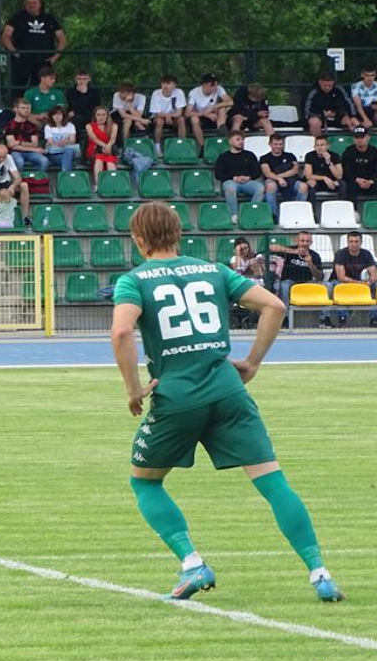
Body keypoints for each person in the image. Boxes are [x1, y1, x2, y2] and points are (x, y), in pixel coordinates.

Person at [111, 201, 344, 603]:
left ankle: (192, 563)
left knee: (144, 482)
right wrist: (252, 362)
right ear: (179, 233)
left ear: (137, 239)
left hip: (177, 395)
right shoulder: (214, 270)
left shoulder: (134, 281)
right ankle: (319, 572)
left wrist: (133, 388)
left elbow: (121, 333)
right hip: (227, 389)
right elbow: (274, 305)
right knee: (272, 481)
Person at [1, 0, 66, 98]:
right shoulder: (17, 17)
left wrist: (55, 57)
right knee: (17, 88)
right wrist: (16, 53)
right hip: (22, 59)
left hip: (44, 59)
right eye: (29, 3)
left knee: (42, 87)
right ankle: (17, 107)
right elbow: (5, 37)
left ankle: (40, 107)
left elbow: (62, 39)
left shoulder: (49, 19)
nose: (31, 5)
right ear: (25, 5)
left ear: (40, 4)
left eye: (34, 3)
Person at [214, 130, 264, 225]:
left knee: (260, 188)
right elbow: (218, 174)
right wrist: (233, 178)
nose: (241, 141)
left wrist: (248, 177)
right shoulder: (223, 157)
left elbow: (258, 171)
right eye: (238, 139)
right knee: (230, 188)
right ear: (230, 142)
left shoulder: (249, 155)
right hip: (231, 181)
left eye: (242, 139)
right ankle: (234, 215)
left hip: (247, 182)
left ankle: (250, 214)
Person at [330, 231, 377, 327]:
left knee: (375, 286)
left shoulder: (366, 254)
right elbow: (341, 277)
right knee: (335, 286)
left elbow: (374, 275)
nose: (354, 244)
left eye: (356, 241)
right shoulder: (340, 254)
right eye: (351, 241)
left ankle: (374, 318)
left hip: (361, 283)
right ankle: (342, 317)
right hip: (342, 283)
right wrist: (359, 283)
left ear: (361, 242)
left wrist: (369, 282)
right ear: (347, 242)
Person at [269, 231, 324, 312]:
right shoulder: (289, 250)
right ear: (297, 240)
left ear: (311, 242)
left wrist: (311, 264)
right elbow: (271, 247)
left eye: (307, 241)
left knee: (327, 285)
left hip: (307, 282)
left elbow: (320, 278)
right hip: (289, 281)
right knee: (284, 286)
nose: (304, 243)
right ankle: (285, 315)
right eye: (302, 241)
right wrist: (294, 251)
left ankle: (324, 317)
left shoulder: (315, 255)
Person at [259, 134, 308, 221]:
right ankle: (273, 216)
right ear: (270, 144)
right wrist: (278, 179)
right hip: (273, 181)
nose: (278, 146)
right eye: (275, 144)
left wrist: (280, 176)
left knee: (303, 186)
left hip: (291, 180)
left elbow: (295, 170)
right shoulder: (264, 158)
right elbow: (267, 173)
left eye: (280, 144)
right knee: (270, 186)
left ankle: (297, 213)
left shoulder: (290, 155)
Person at [303, 134, 347, 216]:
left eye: (322, 145)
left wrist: (329, 162)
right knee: (310, 184)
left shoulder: (334, 156)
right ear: (314, 146)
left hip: (331, 183)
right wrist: (324, 178)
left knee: (343, 184)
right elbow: (308, 175)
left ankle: (342, 211)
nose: (319, 148)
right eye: (317, 145)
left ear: (328, 146)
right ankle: (312, 214)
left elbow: (339, 176)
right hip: (318, 182)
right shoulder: (309, 156)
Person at [304, 71, 358, 138]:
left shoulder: (338, 89)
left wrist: (353, 116)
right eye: (325, 86)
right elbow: (307, 110)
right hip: (318, 117)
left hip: (336, 116)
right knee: (314, 122)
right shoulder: (313, 91)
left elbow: (348, 102)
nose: (327, 88)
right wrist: (322, 114)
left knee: (352, 122)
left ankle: (356, 141)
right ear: (320, 82)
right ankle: (319, 142)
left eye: (330, 86)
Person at [186, 74, 233, 148]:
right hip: (200, 117)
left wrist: (214, 106)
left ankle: (221, 129)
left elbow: (230, 102)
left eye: (216, 84)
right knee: (194, 119)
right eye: (212, 85)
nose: (215, 87)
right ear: (204, 84)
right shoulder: (194, 93)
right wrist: (205, 114)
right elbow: (188, 113)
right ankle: (202, 146)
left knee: (222, 108)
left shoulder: (218, 89)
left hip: (214, 117)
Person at [4, 99, 49, 172]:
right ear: (15, 109)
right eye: (23, 108)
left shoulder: (32, 126)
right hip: (15, 152)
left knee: (44, 161)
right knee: (19, 161)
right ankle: (18, 179)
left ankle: (38, 178)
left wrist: (18, 142)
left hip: (30, 152)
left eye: (28, 108)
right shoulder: (9, 125)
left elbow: (34, 144)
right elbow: (13, 146)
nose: (26, 110)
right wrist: (33, 149)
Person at [149, 75, 187, 155]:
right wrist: (167, 116)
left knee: (181, 120)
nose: (165, 85)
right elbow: (157, 113)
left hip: (174, 118)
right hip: (159, 117)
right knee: (159, 121)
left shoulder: (179, 92)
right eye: (163, 83)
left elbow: (179, 112)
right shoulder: (156, 93)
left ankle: (182, 145)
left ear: (174, 85)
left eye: (168, 83)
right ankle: (157, 148)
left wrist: (169, 116)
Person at [85, 106, 118, 191]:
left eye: (103, 115)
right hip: (94, 149)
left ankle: (113, 185)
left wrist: (108, 146)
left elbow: (113, 139)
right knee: (99, 159)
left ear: (107, 116)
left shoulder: (114, 126)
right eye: (98, 115)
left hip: (108, 150)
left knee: (110, 162)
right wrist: (105, 146)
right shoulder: (89, 126)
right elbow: (93, 138)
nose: (101, 117)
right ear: (95, 116)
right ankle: (98, 185)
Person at [341, 126, 377, 201]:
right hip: (355, 182)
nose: (359, 140)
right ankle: (353, 208)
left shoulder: (374, 152)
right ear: (354, 139)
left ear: (368, 137)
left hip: (371, 181)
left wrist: (371, 181)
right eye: (357, 137)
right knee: (348, 185)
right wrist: (357, 180)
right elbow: (346, 172)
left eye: (362, 137)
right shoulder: (348, 152)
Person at [42, 105, 80, 172]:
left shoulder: (70, 126)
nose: (57, 116)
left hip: (68, 152)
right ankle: (66, 175)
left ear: (63, 115)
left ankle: (64, 174)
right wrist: (60, 143)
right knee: (66, 159)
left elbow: (72, 140)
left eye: (59, 114)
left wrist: (65, 142)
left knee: (69, 151)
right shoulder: (48, 127)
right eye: (54, 114)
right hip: (55, 154)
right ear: (51, 116)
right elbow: (51, 142)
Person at [350, 63, 377, 129]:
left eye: (372, 75)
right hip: (361, 111)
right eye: (367, 75)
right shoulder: (355, 86)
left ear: (375, 75)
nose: (370, 78)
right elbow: (358, 105)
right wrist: (366, 119)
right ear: (362, 75)